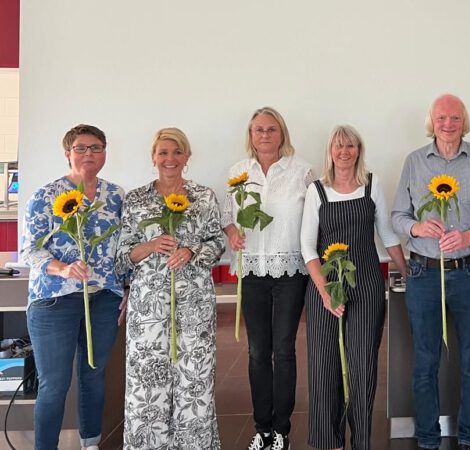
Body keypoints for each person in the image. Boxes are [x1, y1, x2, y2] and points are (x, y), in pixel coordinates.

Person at [391, 94, 470, 450]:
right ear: (432, 122)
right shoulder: (414, 162)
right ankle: (427, 440)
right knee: (425, 362)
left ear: (463, 121)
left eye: (455, 118)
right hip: (424, 273)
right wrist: (417, 229)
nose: (448, 124)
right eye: (442, 118)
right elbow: (397, 217)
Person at [301, 125, 408, 450]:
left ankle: (361, 441)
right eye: (338, 146)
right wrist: (325, 293)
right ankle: (327, 441)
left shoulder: (371, 186)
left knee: (362, 367)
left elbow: (387, 235)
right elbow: (307, 248)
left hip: (366, 286)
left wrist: (407, 271)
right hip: (325, 287)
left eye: (350, 146)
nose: (344, 152)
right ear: (330, 152)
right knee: (324, 366)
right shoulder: (316, 190)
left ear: (359, 150)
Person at [117, 127, 225, 449]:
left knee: (195, 380)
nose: (170, 159)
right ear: (153, 158)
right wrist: (150, 246)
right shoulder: (136, 199)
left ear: (187, 157)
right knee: (147, 383)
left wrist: (192, 251)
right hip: (148, 309)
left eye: (177, 152)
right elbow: (123, 256)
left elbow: (217, 242)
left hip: (194, 304)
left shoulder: (203, 196)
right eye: (163, 152)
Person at [21, 124, 125, 450]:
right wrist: (63, 269)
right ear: (67, 153)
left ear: (105, 152)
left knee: (93, 376)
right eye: (81, 148)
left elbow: (125, 248)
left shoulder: (116, 195)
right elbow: (30, 249)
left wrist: (128, 289)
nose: (89, 154)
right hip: (54, 301)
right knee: (54, 384)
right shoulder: (46, 196)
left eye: (96, 147)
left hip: (104, 299)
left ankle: (90, 443)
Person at [222, 107, 314, 450]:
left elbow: (314, 217)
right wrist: (232, 233)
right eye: (258, 129)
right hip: (251, 271)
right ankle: (261, 427)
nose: (264, 135)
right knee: (258, 351)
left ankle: (282, 429)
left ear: (282, 134)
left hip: (290, 271)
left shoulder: (302, 171)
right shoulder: (238, 172)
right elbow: (227, 216)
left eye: (271, 129)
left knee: (283, 349)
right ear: (250, 135)